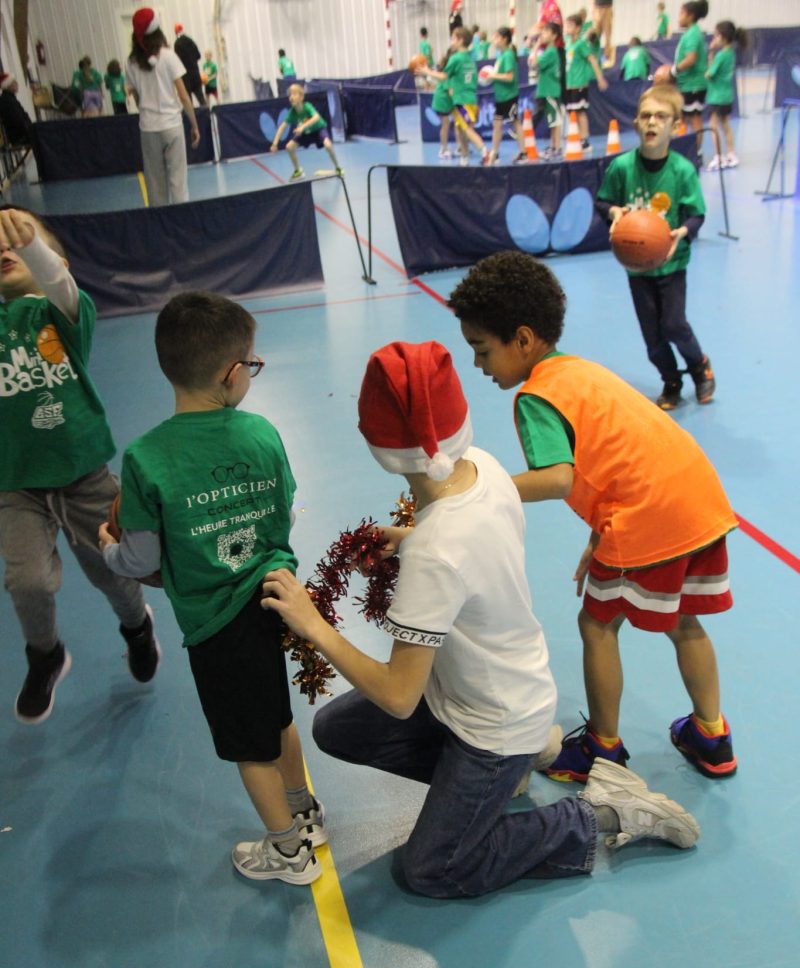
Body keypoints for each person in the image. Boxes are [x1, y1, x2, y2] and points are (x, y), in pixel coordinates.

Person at [262, 340, 701, 899]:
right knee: (337, 729)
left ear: (379, 445)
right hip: (490, 691)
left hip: (492, 726)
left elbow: (398, 695)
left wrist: (314, 625)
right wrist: (411, 538)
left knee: (431, 869)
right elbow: (466, 543)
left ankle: (600, 812)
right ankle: (514, 769)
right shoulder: (484, 468)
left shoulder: (437, 552)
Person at [450, 251, 737, 785]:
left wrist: (480, 488)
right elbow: (622, 457)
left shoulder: (536, 397)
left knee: (597, 623)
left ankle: (602, 748)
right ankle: (711, 735)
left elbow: (558, 477)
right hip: (698, 500)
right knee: (681, 621)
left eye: (482, 349)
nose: (478, 365)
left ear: (522, 339)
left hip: (648, 518)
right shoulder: (580, 370)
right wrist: (597, 535)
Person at [99, 291, 323, 886]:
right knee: (276, 715)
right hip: (275, 597)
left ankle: (288, 853)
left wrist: (105, 547)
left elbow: (139, 559)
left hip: (215, 622)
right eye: (251, 364)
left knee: (248, 748)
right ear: (230, 373)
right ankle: (304, 811)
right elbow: (283, 515)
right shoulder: (261, 433)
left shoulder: (145, 458)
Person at [0, 206, 160, 725]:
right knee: (27, 581)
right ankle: (45, 655)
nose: (5, 247)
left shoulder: (62, 315)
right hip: (17, 485)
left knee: (113, 572)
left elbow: (59, 285)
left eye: (17, 241)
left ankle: (137, 627)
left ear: (55, 261)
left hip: (83, 477)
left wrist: (31, 245)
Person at [596, 84, 714, 409]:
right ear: (636, 123)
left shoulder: (682, 170)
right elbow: (602, 201)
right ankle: (671, 380)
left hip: (672, 264)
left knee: (674, 325)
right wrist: (614, 212)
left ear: (675, 127)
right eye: (646, 115)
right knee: (653, 338)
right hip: (637, 267)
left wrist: (682, 232)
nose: (652, 122)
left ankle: (699, 366)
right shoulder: (622, 168)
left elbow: (697, 214)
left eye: (661, 117)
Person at [125, 8, 200, 207]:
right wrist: (194, 125)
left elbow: (136, 97)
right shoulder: (168, 57)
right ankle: (182, 222)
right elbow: (183, 96)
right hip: (172, 126)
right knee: (178, 184)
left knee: (155, 186)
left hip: (149, 129)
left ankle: (160, 224)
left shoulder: (131, 62)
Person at [418, 26, 490, 167]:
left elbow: (443, 76)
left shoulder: (455, 58)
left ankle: (485, 152)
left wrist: (427, 72)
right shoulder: (470, 59)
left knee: (467, 129)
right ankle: (464, 159)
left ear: (460, 40)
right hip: (472, 100)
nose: (451, 41)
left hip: (462, 101)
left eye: (453, 38)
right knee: (460, 129)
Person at [270, 83, 342, 181]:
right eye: (290, 95)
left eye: (294, 94)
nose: (291, 97)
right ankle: (298, 171)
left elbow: (316, 117)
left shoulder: (307, 106)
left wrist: (302, 127)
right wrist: (275, 144)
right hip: (306, 132)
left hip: (318, 129)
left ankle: (338, 168)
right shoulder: (292, 113)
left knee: (328, 145)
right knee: (289, 147)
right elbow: (282, 127)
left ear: (301, 97)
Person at [666, 0, 709, 158]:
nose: (679, 18)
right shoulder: (690, 33)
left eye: (681, 14)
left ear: (690, 16)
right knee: (683, 118)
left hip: (693, 85)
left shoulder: (692, 34)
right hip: (686, 84)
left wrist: (673, 71)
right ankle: (685, 150)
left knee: (695, 118)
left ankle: (697, 153)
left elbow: (690, 59)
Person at [564, 13, 607, 153]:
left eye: (570, 25)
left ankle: (585, 140)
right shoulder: (568, 45)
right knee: (572, 113)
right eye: (566, 25)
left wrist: (600, 78)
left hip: (580, 84)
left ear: (578, 28)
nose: (567, 28)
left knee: (580, 112)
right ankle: (577, 137)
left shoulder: (581, 44)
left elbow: (592, 60)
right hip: (569, 85)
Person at [706, 21, 747, 170]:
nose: (714, 39)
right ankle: (731, 154)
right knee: (725, 125)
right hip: (727, 96)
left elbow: (709, 73)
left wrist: (710, 53)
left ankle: (718, 157)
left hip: (717, 97)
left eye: (716, 36)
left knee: (713, 126)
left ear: (723, 37)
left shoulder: (721, 55)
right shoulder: (731, 53)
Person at [485, 26, 524, 165]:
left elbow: (509, 77)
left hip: (509, 96)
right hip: (500, 97)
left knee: (515, 122)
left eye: (496, 37)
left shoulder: (508, 55)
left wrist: (492, 76)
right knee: (497, 124)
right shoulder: (501, 56)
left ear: (504, 39)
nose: (493, 40)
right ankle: (494, 154)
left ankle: (523, 153)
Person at [531, 22, 565, 158]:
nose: (542, 35)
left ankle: (556, 147)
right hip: (547, 90)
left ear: (554, 36)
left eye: (546, 32)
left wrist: (536, 46)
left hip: (550, 91)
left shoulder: (551, 52)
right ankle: (553, 146)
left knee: (555, 121)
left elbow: (534, 63)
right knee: (552, 121)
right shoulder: (549, 52)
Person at [173, 22, 205, 106]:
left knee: (188, 102)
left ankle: (191, 115)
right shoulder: (190, 41)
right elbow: (198, 55)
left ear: (175, 32)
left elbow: (177, 61)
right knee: (201, 99)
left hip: (185, 76)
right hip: (195, 74)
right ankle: (206, 113)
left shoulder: (177, 44)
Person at [431, 48, 456, 158]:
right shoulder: (447, 73)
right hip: (441, 102)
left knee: (458, 123)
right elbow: (451, 92)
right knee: (445, 124)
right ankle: (443, 149)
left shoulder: (452, 72)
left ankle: (460, 147)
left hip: (448, 102)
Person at [0, 73, 33, 146]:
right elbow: (19, 121)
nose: (17, 84)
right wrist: (31, 130)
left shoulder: (10, 98)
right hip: (20, 137)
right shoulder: (7, 101)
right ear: (8, 85)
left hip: (22, 134)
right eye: (14, 82)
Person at [592, 0, 615, 67]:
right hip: (597, 8)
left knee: (607, 38)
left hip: (607, 8)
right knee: (595, 37)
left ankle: (604, 60)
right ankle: (594, 58)